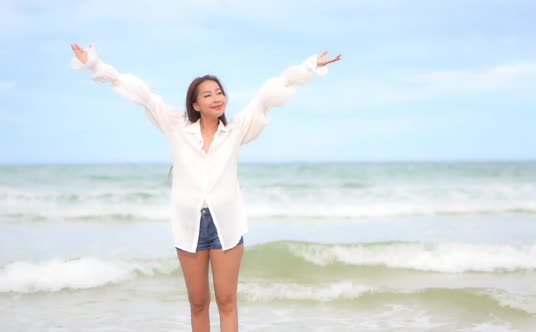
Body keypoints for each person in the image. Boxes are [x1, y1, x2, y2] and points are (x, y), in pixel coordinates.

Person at [70, 42, 341, 332]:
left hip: (226, 224)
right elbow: (144, 96)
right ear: (196, 104)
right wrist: (96, 66)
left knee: (227, 301)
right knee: (198, 303)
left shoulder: (236, 130)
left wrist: (308, 66)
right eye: (208, 94)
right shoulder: (175, 126)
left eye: (220, 92)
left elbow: (269, 94)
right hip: (189, 225)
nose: (217, 97)